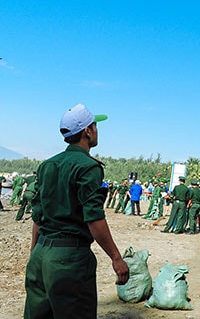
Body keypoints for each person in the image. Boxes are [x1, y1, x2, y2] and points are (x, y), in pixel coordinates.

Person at [24, 103, 129, 319]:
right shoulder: (88, 167)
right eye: (95, 126)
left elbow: (38, 217)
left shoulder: (47, 165)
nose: (97, 130)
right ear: (87, 131)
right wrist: (117, 258)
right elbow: (94, 218)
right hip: (69, 260)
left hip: (41, 255)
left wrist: (34, 254)